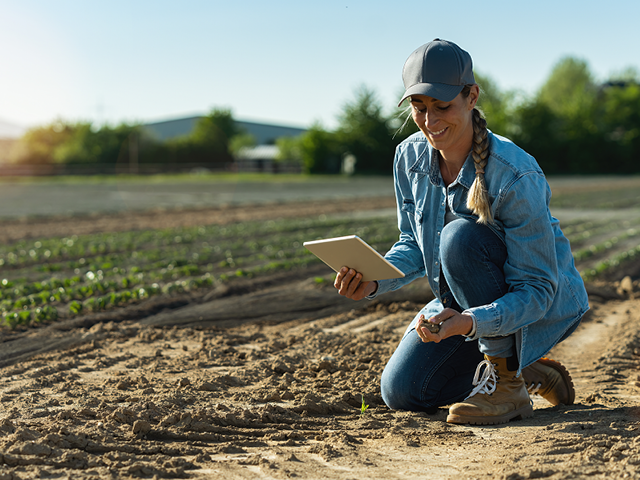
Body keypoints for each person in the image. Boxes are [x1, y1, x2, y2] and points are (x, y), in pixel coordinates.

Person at [334, 38, 589, 425]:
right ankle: (526, 370)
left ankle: (507, 383)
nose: (430, 122)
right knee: (402, 391)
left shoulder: (515, 174)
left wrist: (469, 321)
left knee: (458, 238)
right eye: (419, 109)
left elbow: (537, 289)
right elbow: (414, 244)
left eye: (442, 107)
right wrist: (373, 280)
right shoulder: (408, 157)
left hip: (536, 305)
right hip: (465, 302)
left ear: (472, 96)